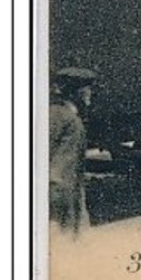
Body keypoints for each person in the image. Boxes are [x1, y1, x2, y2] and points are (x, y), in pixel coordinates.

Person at [49, 68, 96, 235]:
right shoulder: (71, 122)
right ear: (77, 93)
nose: (90, 93)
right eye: (87, 88)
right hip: (62, 204)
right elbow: (61, 174)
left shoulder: (52, 114)